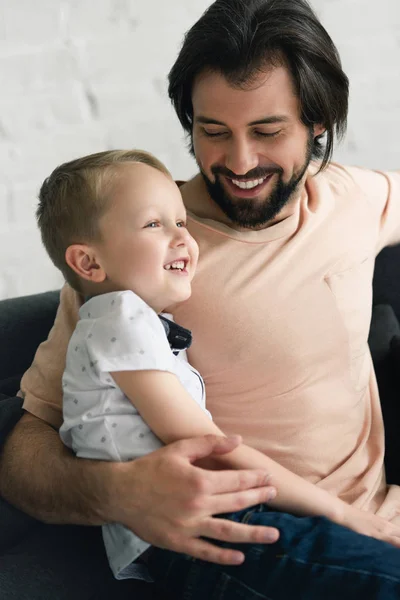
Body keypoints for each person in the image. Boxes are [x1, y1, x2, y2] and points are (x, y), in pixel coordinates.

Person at [1, 0, 400, 597]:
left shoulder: (357, 199)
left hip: (378, 520)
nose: (238, 162)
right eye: (213, 131)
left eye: (267, 131)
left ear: (318, 123)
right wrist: (118, 493)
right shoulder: (137, 263)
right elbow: (24, 451)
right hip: (260, 540)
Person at [36, 148, 400, 587]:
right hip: (197, 524)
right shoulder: (120, 319)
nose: (183, 238)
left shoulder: (138, 322)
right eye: (154, 224)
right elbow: (207, 445)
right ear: (88, 262)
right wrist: (340, 511)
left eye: (181, 221)